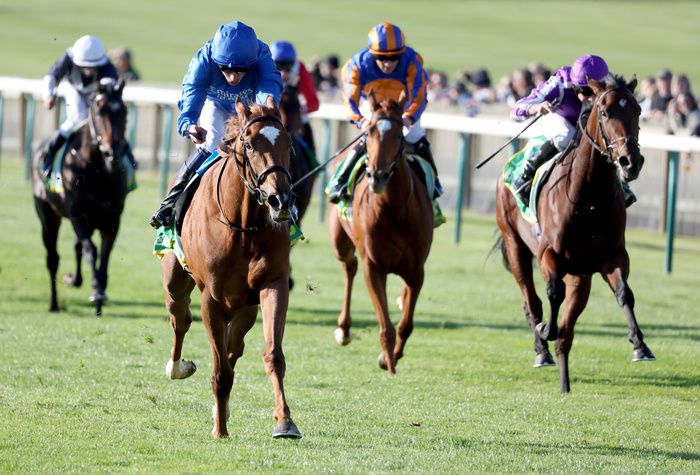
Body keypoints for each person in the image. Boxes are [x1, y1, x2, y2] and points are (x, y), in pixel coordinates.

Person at [149, 21, 283, 229]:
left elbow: (269, 81)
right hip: (215, 105)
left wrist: (269, 100)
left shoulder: (261, 54)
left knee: (269, 142)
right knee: (213, 141)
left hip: (249, 106)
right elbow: (192, 92)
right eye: (226, 70)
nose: (233, 77)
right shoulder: (203, 60)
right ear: (216, 61)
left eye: (240, 71)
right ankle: (170, 203)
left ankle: (287, 205)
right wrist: (189, 124)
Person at [327, 22, 441, 203]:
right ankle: (339, 181)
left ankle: (434, 183)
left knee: (415, 135)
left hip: (402, 107)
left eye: (394, 57)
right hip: (374, 106)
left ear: (402, 53)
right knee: (369, 136)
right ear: (372, 54)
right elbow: (350, 101)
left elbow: (419, 96)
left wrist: (409, 117)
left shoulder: (412, 62)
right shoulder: (356, 65)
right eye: (381, 58)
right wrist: (361, 121)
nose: (388, 63)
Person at [509, 54, 632, 205]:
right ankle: (526, 174)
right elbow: (516, 109)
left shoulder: (610, 86)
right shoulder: (560, 82)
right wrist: (537, 107)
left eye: (594, 91)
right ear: (575, 86)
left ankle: (620, 183)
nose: (591, 97)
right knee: (568, 134)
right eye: (585, 91)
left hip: (587, 125)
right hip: (561, 118)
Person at [39, 35, 119, 177]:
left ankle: (128, 161)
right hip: (73, 89)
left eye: (93, 67)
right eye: (84, 67)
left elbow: (111, 84)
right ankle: (48, 157)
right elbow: (52, 76)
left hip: (96, 93)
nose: (88, 71)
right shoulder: (69, 58)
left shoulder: (107, 65)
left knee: (106, 122)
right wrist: (49, 96)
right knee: (78, 118)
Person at [270, 40, 319, 154]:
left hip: (295, 117)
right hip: (271, 116)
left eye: (288, 67)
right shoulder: (263, 68)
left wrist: (300, 109)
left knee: (310, 150)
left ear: (294, 63)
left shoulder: (300, 69)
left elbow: (314, 102)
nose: (283, 73)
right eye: (278, 66)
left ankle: (314, 165)